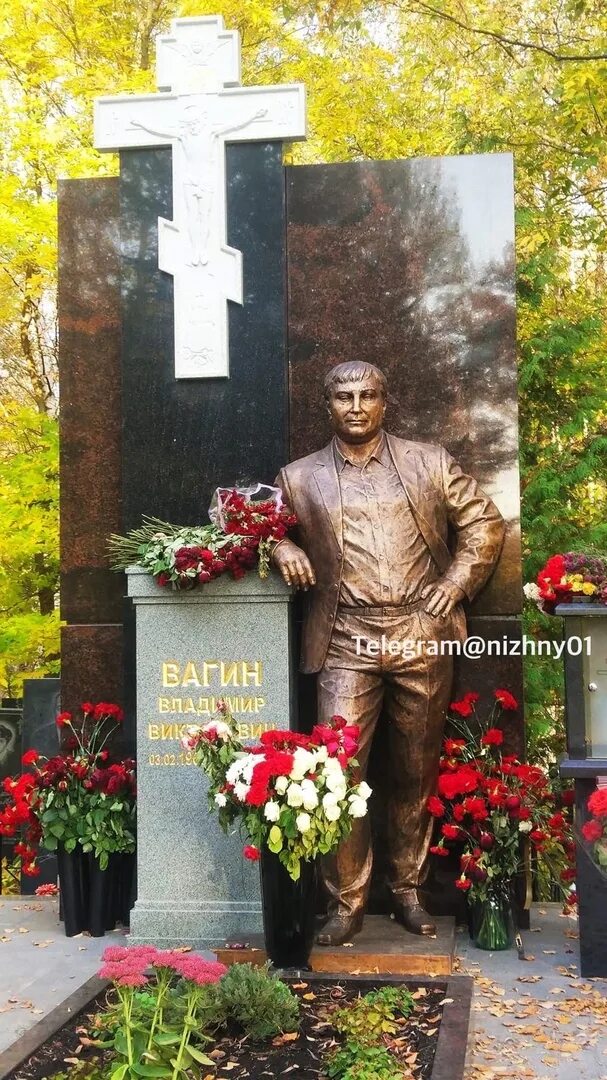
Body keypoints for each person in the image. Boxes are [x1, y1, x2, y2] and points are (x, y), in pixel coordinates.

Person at [272, 361, 505, 945]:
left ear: (384, 402)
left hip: (419, 631)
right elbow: (249, 526)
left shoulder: (428, 462)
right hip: (345, 636)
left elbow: (484, 523)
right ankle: (345, 901)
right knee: (338, 771)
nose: (356, 406)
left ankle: (407, 889)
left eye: (367, 395)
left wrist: (453, 585)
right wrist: (278, 546)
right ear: (328, 405)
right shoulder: (299, 477)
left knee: (413, 772)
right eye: (344, 397)